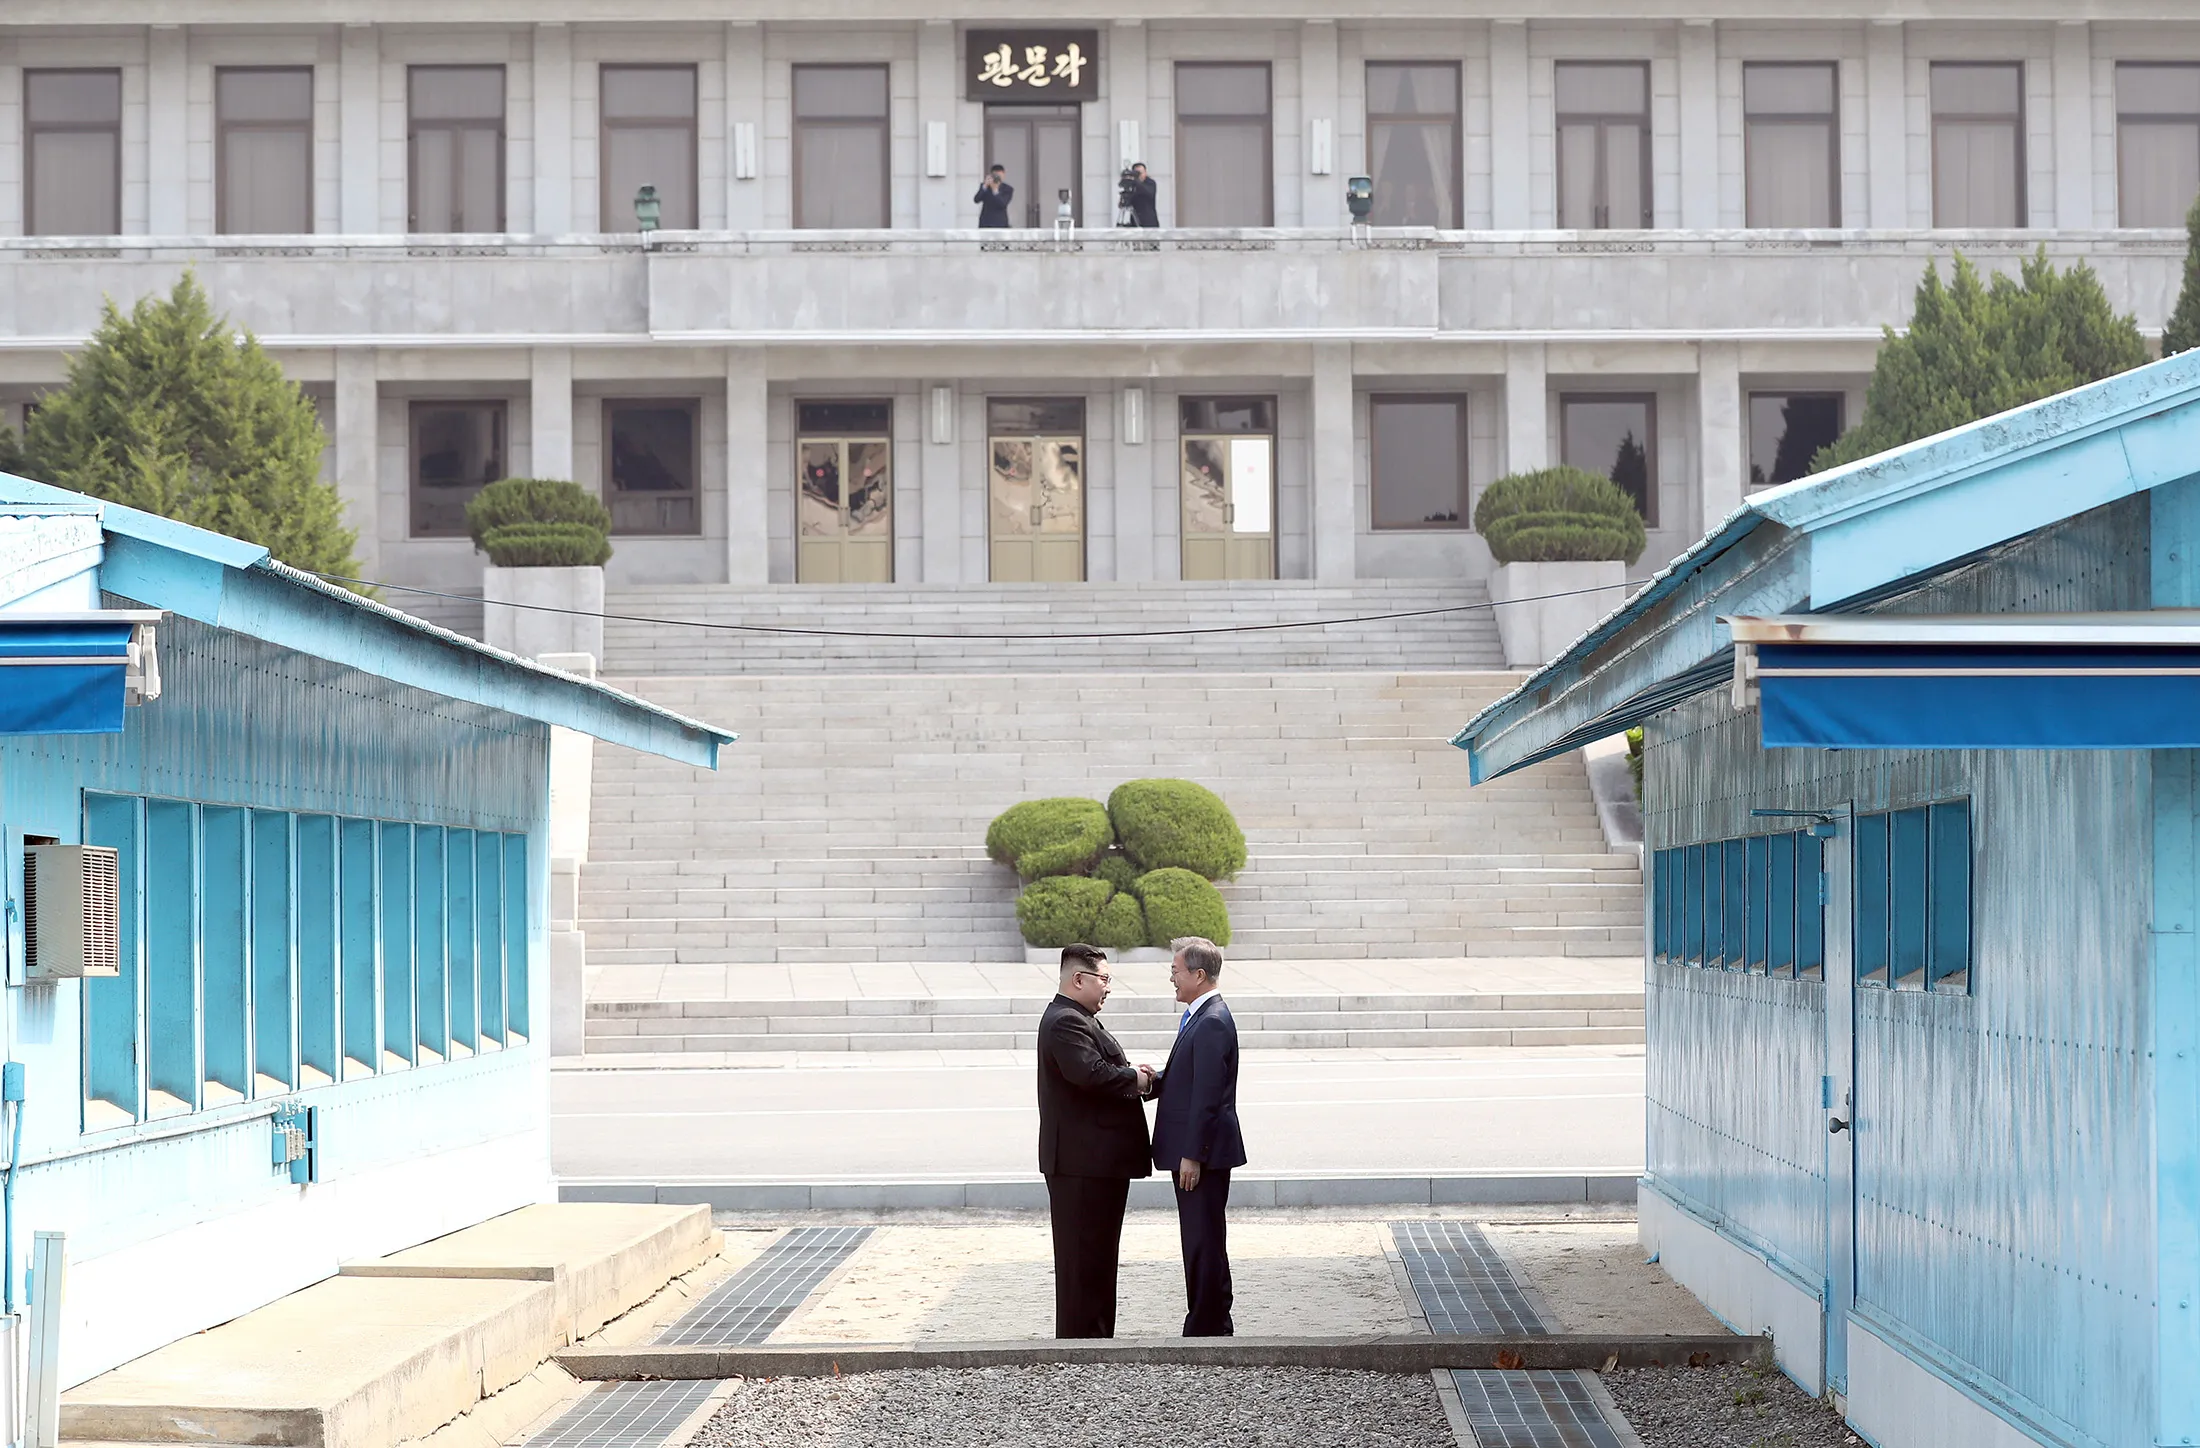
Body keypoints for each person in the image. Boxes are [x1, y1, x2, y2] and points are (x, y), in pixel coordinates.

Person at [1036, 943, 1154, 1338]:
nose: (1108, 988)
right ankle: (1083, 1344)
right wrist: (1135, 1079)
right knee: (1084, 1261)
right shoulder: (1066, 1021)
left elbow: (1101, 1073)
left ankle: (1094, 1340)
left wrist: (1142, 1081)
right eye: (1104, 979)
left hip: (1091, 1164)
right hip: (1081, 1165)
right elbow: (1090, 1074)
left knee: (1097, 1257)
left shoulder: (1077, 1017)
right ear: (1078, 979)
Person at [1143, 936, 1244, 1336]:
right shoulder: (1201, 1017)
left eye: (1175, 971)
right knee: (1201, 1236)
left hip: (1202, 1154)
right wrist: (1152, 1081)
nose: (1171, 978)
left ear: (1198, 975)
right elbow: (1188, 1079)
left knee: (1203, 1239)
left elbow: (1206, 1096)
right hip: (1196, 1150)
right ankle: (1209, 1318)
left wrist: (1193, 1154)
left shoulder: (1213, 1022)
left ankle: (1207, 1324)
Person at [1124, 163, 1160, 228]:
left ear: (1145, 173)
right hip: (1135, 220)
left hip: (1149, 222)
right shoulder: (1132, 185)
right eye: (1136, 174)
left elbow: (1149, 193)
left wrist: (1136, 182)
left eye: (1140, 173)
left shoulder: (1150, 183)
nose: (1139, 176)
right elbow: (1129, 200)